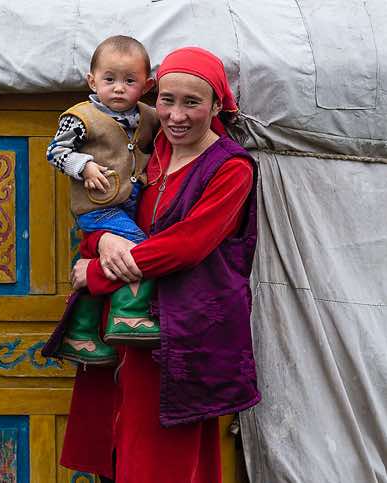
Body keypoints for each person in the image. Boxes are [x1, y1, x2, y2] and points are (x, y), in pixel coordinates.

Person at [58, 46, 261, 482]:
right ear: (152, 96)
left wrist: (95, 271)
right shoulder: (150, 149)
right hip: (125, 331)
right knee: (118, 451)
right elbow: (105, 208)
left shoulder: (231, 168)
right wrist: (104, 236)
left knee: (160, 462)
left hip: (182, 338)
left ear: (218, 104)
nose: (176, 115)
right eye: (167, 100)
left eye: (193, 102)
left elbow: (186, 245)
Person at [45, 36, 160, 366]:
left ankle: (80, 334)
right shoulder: (80, 116)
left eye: (130, 81)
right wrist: (85, 165)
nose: (119, 88)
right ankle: (128, 314)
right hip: (97, 208)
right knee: (139, 250)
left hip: (129, 201)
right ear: (92, 80)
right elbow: (55, 151)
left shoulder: (149, 116)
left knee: (109, 263)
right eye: (109, 80)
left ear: (147, 85)